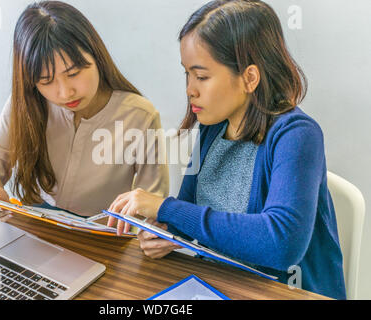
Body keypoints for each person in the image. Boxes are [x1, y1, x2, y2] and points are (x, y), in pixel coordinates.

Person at [107, 0, 346, 299]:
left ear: (249, 78)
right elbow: (191, 212)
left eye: (202, 76)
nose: (190, 89)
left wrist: (165, 208)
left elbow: (281, 243)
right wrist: (165, 232)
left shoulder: (297, 135)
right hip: (218, 287)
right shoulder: (212, 126)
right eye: (187, 74)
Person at [0, 1, 169, 221]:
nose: (65, 93)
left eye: (73, 73)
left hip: (99, 235)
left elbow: (153, 204)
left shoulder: (139, 116)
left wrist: (152, 233)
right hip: (36, 221)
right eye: (46, 81)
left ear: (96, 57)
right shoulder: (27, 103)